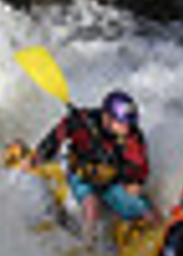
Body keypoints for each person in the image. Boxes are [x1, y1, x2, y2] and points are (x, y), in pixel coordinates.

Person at [32, 90, 158, 246]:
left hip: (110, 182)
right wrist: (37, 159)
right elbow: (54, 139)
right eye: (122, 123)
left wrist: (134, 181)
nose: (127, 128)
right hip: (81, 176)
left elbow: (139, 167)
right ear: (107, 118)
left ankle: (159, 237)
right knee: (91, 205)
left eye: (129, 123)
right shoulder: (82, 123)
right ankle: (87, 246)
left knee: (143, 210)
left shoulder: (133, 136)